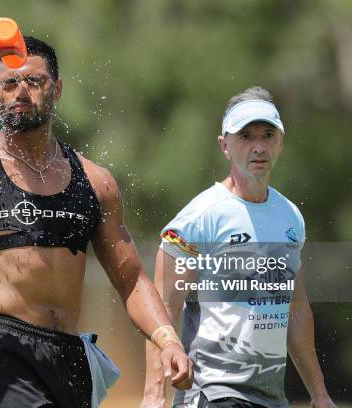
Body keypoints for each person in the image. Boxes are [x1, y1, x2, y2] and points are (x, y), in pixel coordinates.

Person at [0, 16, 192, 408]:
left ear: (57, 89)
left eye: (34, 82)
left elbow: (132, 280)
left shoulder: (95, 182)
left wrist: (166, 338)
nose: (20, 92)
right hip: (2, 349)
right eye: (9, 83)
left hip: (69, 357)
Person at [141, 87, 336, 408]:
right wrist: (153, 395)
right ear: (225, 145)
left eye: (267, 134)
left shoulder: (291, 217)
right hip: (212, 391)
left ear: (281, 142)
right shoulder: (198, 219)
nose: (258, 147)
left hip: (271, 396)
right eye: (246, 136)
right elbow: (161, 310)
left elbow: (297, 310)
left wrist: (319, 393)